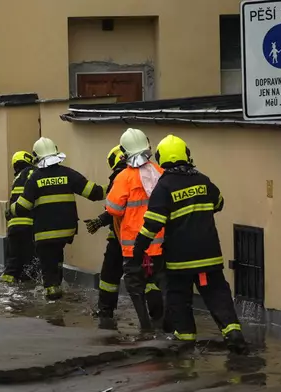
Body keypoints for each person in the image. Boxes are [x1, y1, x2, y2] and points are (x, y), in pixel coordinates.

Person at [132, 134, 248, 354]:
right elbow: (219, 203)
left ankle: (185, 341)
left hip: (180, 259)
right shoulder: (203, 180)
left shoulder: (163, 187)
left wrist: (138, 250)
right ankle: (233, 332)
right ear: (187, 155)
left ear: (161, 158)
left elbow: (152, 225)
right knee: (217, 294)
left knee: (178, 297)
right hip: (209, 255)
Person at [9, 137, 106, 300]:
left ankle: (53, 301)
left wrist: (10, 209)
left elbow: (22, 207)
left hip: (45, 233)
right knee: (57, 257)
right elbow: (94, 193)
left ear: (37, 156)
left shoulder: (35, 178)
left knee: (47, 266)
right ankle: (58, 284)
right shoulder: (68, 174)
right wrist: (115, 185)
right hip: (66, 231)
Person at [105, 128, 166, 333]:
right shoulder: (160, 172)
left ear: (124, 151)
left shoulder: (124, 177)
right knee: (158, 281)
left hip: (133, 246)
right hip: (159, 243)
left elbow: (113, 209)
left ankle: (145, 326)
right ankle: (163, 321)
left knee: (135, 285)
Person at [84, 145, 127, 330]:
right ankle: (154, 315)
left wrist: (99, 221)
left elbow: (116, 208)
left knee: (109, 274)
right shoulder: (145, 174)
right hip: (145, 236)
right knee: (146, 277)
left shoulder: (120, 178)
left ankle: (106, 310)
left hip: (122, 235)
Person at [1, 150, 36, 284]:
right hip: (30, 227)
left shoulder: (17, 179)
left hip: (14, 228)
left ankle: (6, 285)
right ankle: (26, 287)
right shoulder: (35, 175)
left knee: (12, 262)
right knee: (29, 263)